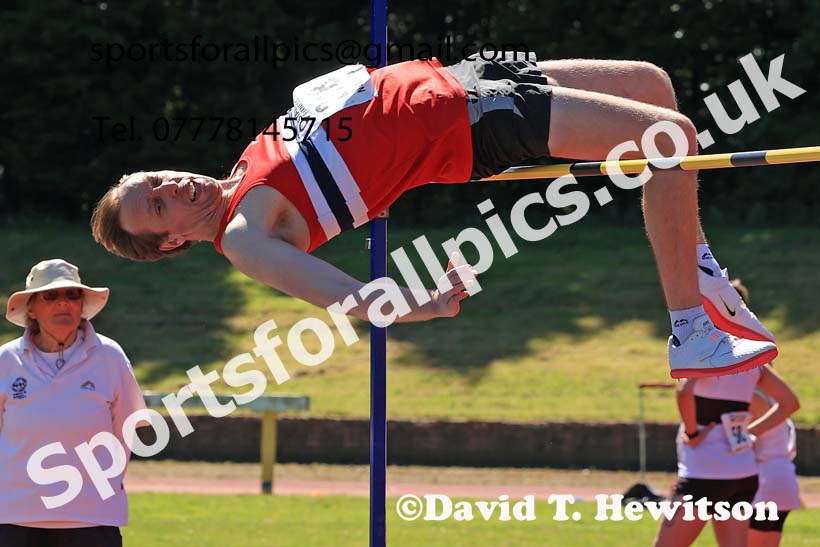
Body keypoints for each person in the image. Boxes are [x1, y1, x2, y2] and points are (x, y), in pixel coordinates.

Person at [90, 52, 777, 378]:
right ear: (174, 239)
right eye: (158, 203)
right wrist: (418, 303)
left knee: (651, 82)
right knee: (672, 140)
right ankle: (691, 327)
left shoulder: (243, 165)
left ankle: (701, 272)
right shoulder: (244, 234)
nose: (171, 183)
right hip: (469, 127)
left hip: (466, 81)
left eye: (156, 177)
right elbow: (343, 298)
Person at [0, 260, 147, 547]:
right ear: (31, 308)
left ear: (82, 305)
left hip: (93, 515)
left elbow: (126, 429)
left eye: (72, 295)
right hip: (15, 515)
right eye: (50, 296)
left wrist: (101, 484)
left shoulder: (110, 356)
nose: (63, 303)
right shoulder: (5, 360)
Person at [653, 360, 799, 547]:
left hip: (720, 474)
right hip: (760, 478)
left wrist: (692, 432)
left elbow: (685, 392)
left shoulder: (710, 360)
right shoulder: (757, 379)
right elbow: (790, 403)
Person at [729, 280, 801, 547]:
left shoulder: (754, 395)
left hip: (763, 483)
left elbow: (740, 438)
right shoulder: (770, 389)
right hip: (782, 480)